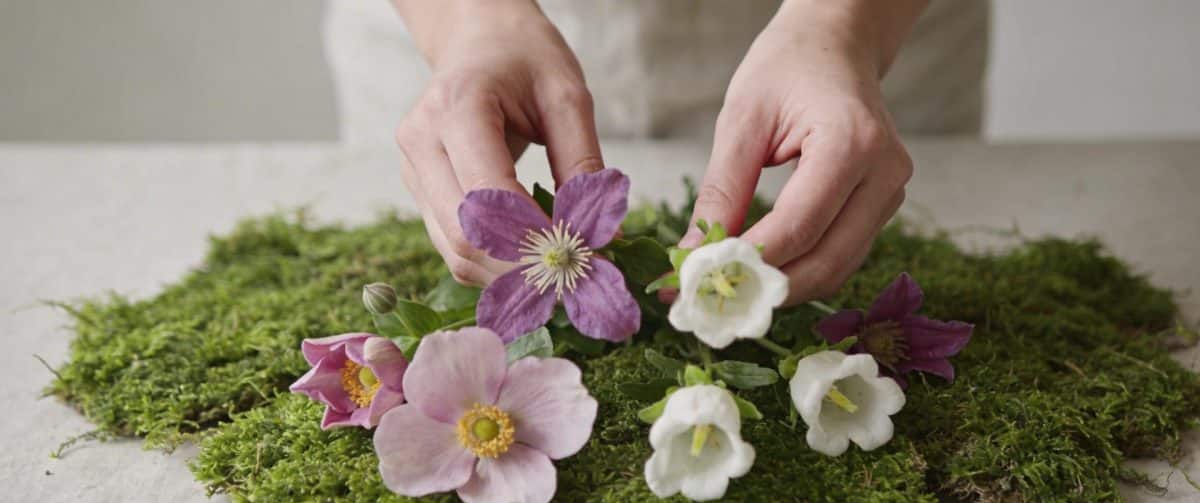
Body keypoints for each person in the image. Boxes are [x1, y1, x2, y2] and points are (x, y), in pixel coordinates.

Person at [323, 0, 988, 303]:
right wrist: (468, 19)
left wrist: (845, 25)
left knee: (865, 232)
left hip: (862, 42)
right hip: (453, 40)